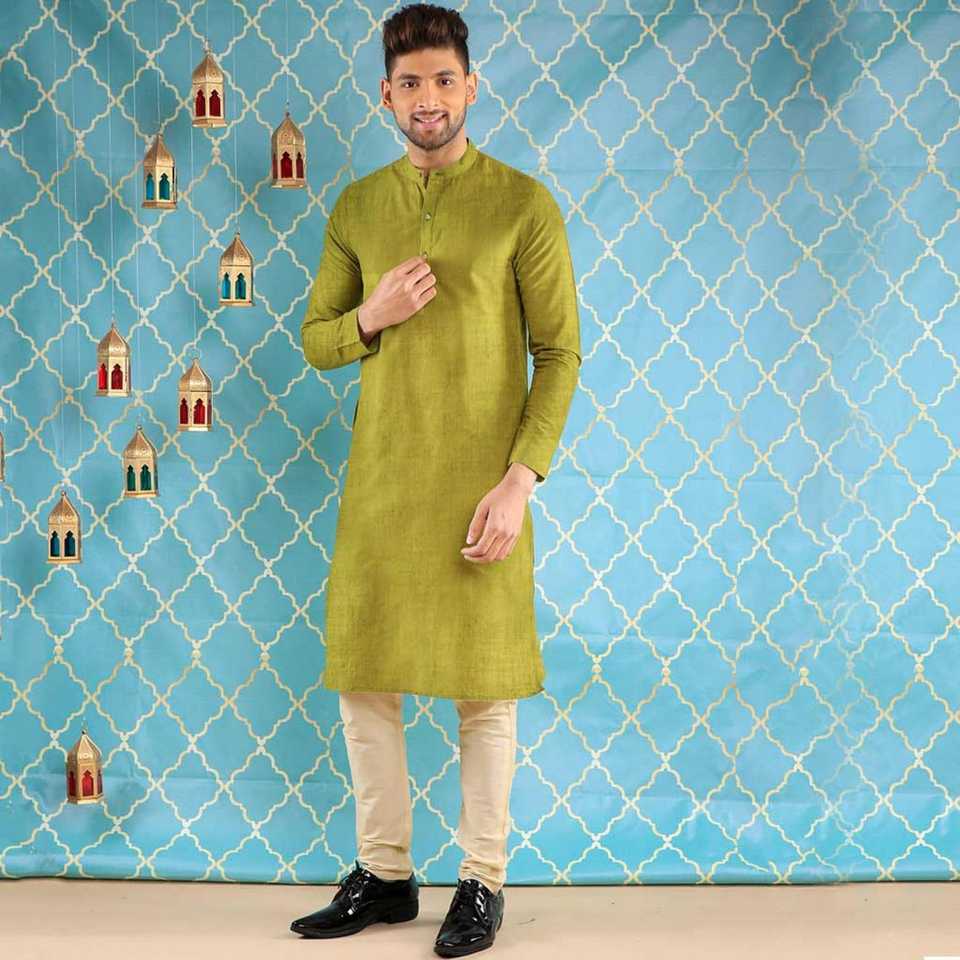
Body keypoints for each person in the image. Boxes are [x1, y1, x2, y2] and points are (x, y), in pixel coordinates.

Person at [289, 3, 581, 955]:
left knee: (483, 692)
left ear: (471, 87)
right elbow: (316, 341)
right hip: (382, 485)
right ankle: (384, 876)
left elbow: (560, 355)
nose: (429, 98)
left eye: (444, 80)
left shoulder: (523, 205)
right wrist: (370, 315)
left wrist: (519, 481)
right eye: (410, 83)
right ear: (386, 94)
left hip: (482, 490)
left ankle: (481, 883)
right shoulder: (357, 208)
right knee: (365, 683)